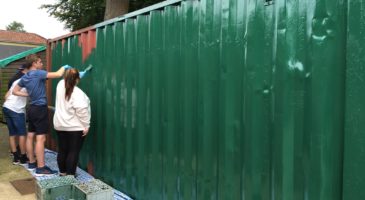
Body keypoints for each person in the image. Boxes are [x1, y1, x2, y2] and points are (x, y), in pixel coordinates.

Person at [13, 54, 72, 176]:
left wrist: (29, 95)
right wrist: (64, 67)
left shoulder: (25, 77)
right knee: (41, 138)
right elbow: (58, 74)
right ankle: (41, 167)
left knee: (30, 136)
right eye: (40, 62)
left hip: (31, 109)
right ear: (34, 63)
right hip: (39, 109)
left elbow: (15, 91)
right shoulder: (38, 73)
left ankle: (32, 162)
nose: (42, 64)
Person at [53, 68, 90, 177]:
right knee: (73, 151)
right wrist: (86, 125)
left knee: (63, 150)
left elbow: (68, 79)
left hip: (60, 125)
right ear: (77, 79)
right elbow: (82, 111)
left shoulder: (60, 85)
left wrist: (75, 76)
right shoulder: (77, 93)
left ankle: (63, 173)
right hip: (75, 127)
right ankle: (70, 176)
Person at [2, 71, 29, 165]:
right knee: (22, 134)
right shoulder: (28, 81)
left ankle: (16, 158)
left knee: (12, 133)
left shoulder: (16, 81)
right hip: (16, 109)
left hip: (6, 107)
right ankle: (23, 157)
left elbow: (6, 96)